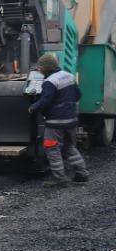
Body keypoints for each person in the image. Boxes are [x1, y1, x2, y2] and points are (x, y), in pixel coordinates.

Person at [28, 53, 89, 186]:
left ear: (47, 67)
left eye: (41, 68)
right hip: (71, 121)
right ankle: (82, 173)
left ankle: (60, 179)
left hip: (56, 123)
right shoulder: (69, 76)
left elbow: (45, 101)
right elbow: (78, 94)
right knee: (69, 147)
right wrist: (67, 106)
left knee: (52, 149)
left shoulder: (50, 81)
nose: (39, 70)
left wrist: (33, 108)